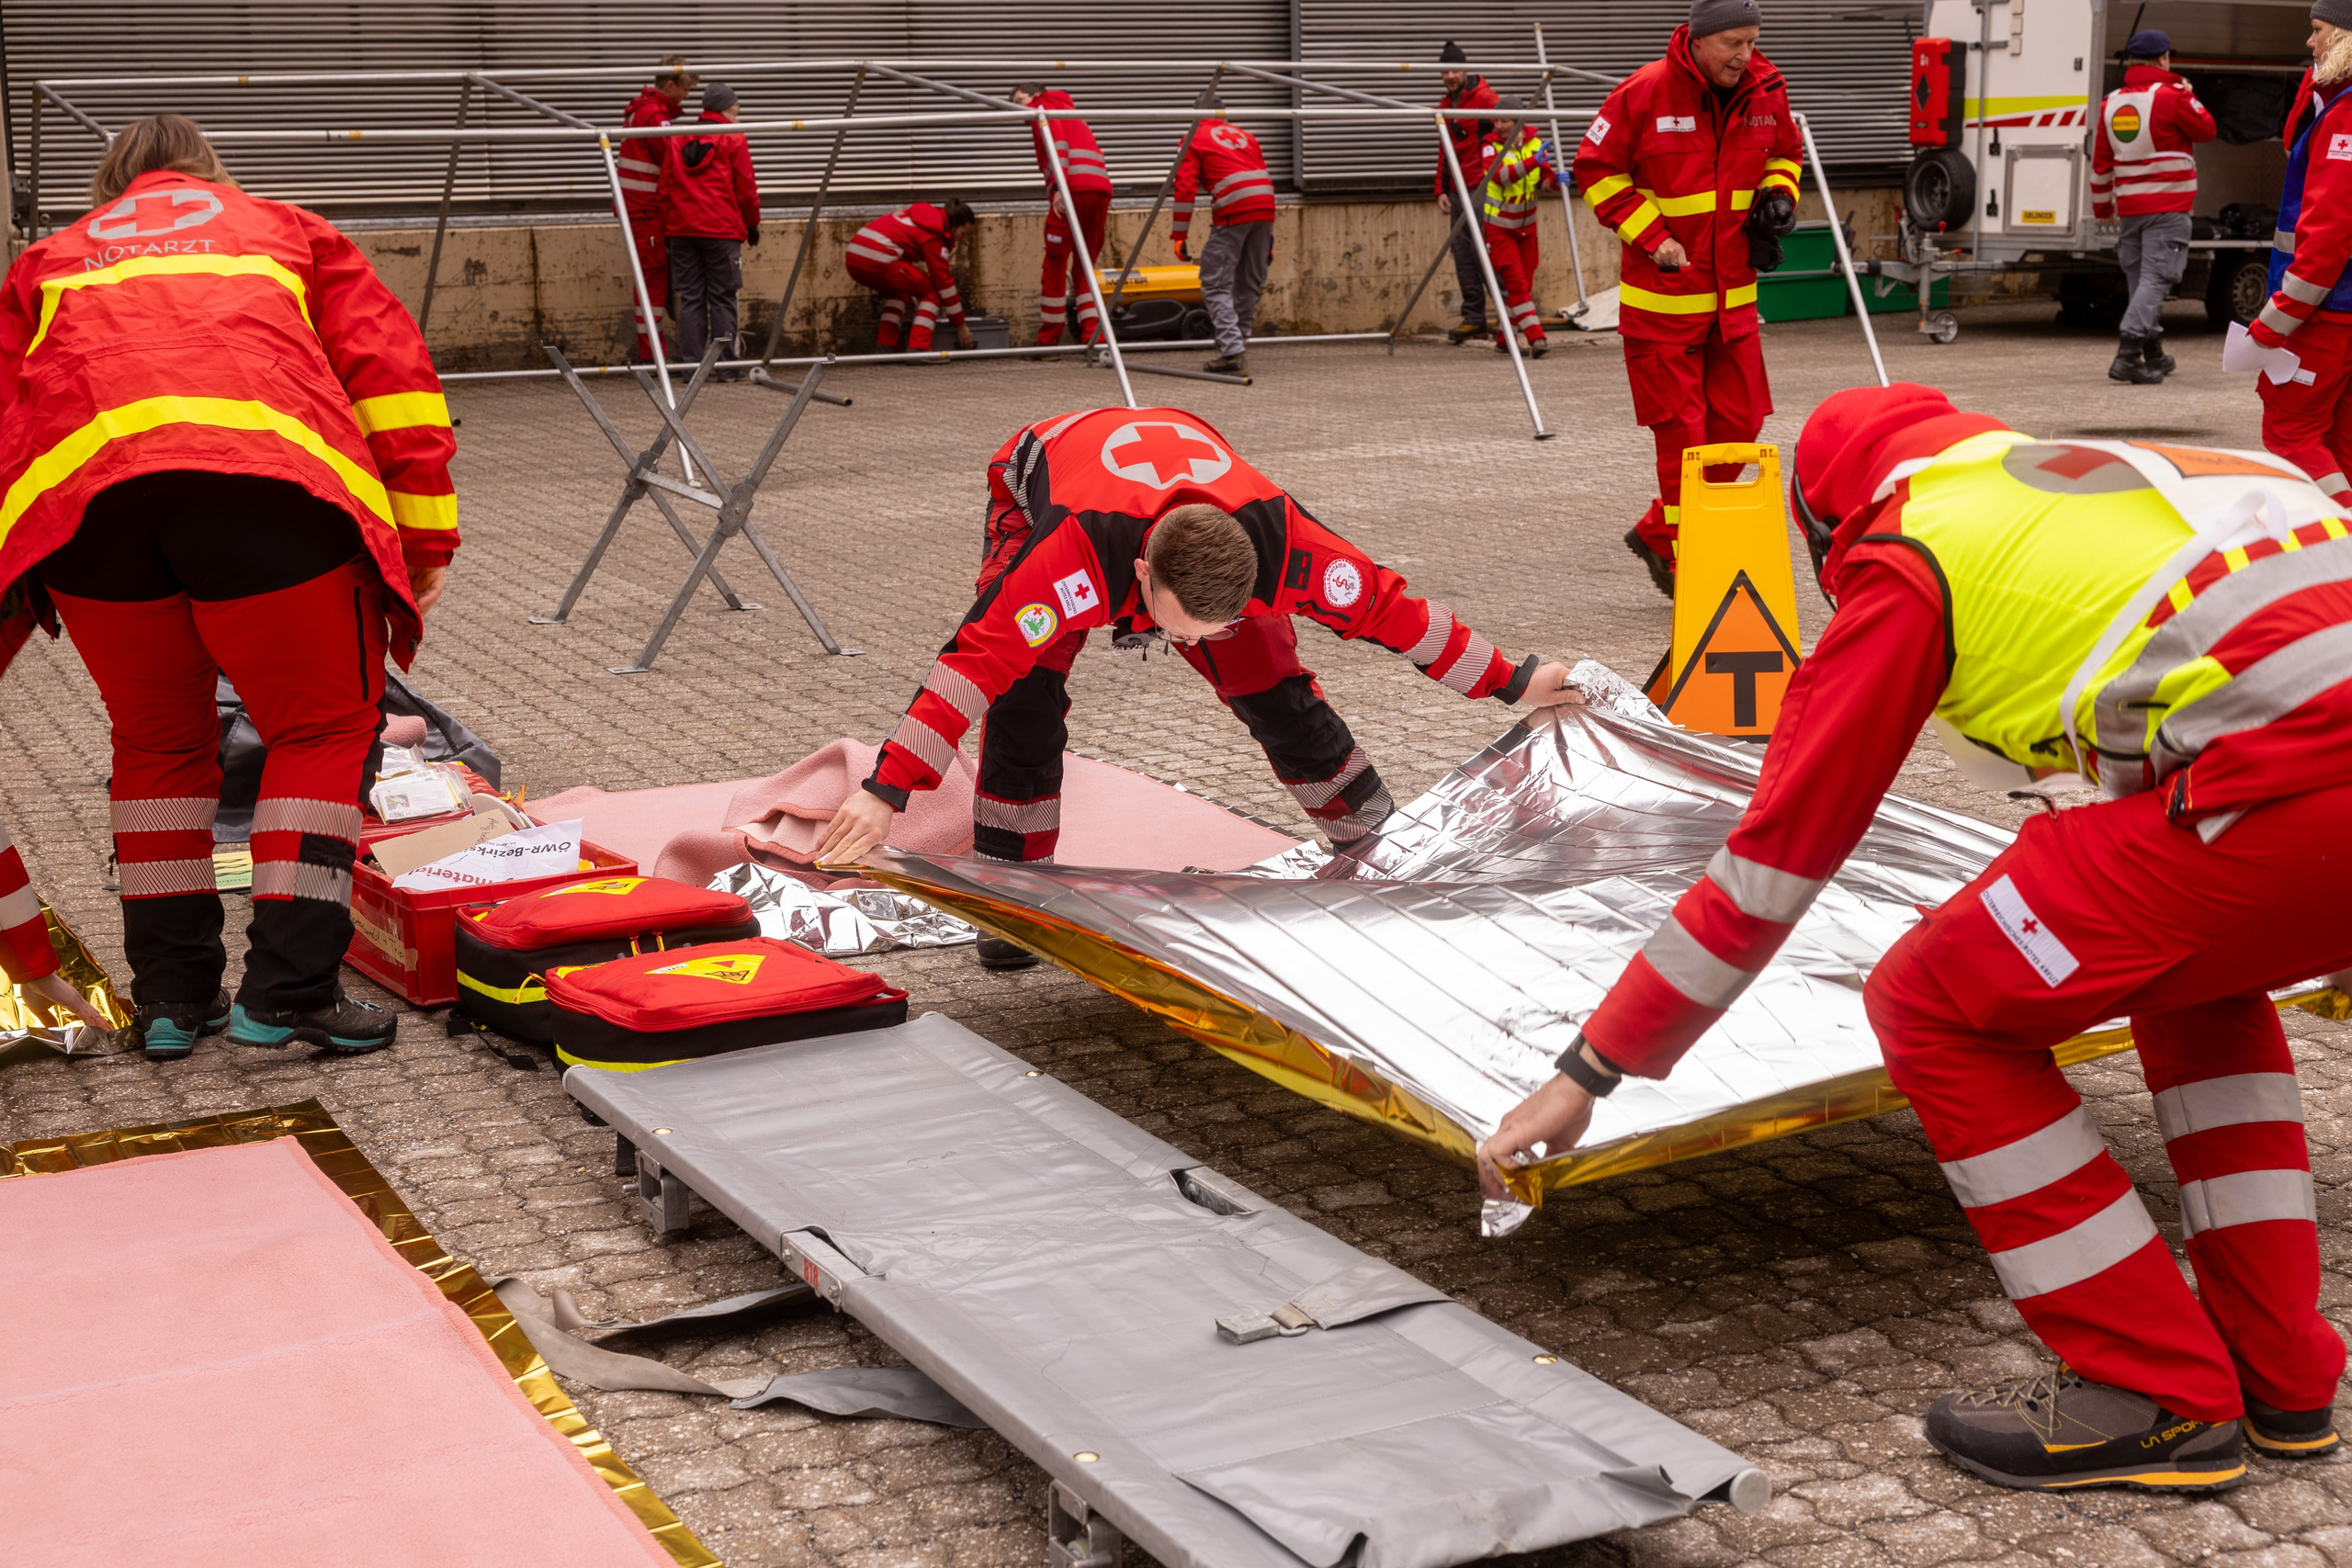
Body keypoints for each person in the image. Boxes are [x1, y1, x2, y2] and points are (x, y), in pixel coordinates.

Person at [1481, 381, 2352, 1490]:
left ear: (1824, 521)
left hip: (2277, 795)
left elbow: (1774, 860)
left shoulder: (1906, 551)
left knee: (1931, 1004)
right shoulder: (2100, 481)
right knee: (2191, 977)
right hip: (2285, 790)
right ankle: (2283, 1375)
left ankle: (2158, 1393)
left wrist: (1590, 1070)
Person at [0, 115, 458, 1058]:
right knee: (321, 730)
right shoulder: (289, 231)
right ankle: (287, 994)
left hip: (87, 516)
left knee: (158, 745)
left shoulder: (47, 263)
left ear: (110, 189)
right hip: (262, 491)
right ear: (210, 176)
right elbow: (393, 380)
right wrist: (423, 531)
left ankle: (172, 1002)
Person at [813, 406, 1583, 966]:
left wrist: (1514, 680)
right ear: (1140, 577)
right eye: (1174, 629)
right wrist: (887, 790)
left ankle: (1374, 849)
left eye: (1201, 634)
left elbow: (1393, 610)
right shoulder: (1067, 558)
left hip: (1194, 488)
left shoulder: (1286, 545)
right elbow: (971, 667)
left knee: (1275, 688)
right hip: (1042, 472)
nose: (1181, 650)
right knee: (1025, 699)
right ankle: (1013, 900)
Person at [1576, 0, 1802, 598]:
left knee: (1740, 429)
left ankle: (1657, 531)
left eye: (1752, 42)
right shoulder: (1644, 92)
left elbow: (1785, 153)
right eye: (1733, 43)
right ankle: (1687, 561)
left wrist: (1779, 196)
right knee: (1685, 442)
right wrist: (1654, 237)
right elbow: (1596, 169)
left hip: (1734, 304)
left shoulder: (1765, 88)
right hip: (1663, 305)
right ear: (1698, 40)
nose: (1744, 56)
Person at [2245, 4, 2352, 504]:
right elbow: (2292, 139)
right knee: (2338, 446)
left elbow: (2328, 237)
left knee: (2291, 439)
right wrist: (2317, 83)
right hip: (2341, 315)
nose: (2309, 44)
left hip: (2326, 315)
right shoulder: (2336, 106)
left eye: (2317, 31)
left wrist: (2275, 321)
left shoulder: (2345, 119)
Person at [2090, 29, 2216, 385]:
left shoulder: (2110, 103)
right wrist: (2189, 94)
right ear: (2163, 60)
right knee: (2156, 279)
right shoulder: (2173, 97)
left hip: (2130, 209)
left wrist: (2102, 210)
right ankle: (2128, 355)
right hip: (2168, 207)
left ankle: (2153, 351)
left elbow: (2101, 165)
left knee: (2140, 281)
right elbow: (2207, 129)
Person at [658, 81, 760, 375]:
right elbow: (745, 187)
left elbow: (664, 187)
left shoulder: (678, 137)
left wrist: (666, 227)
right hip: (721, 230)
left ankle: (692, 370)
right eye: (736, 105)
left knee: (689, 298)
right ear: (728, 107)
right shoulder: (733, 136)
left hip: (681, 230)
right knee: (723, 297)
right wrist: (752, 223)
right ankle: (727, 367)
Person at [1171, 96, 1278, 376]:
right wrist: (1269, 239)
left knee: (1215, 283)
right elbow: (1259, 177)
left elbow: (1184, 188)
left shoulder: (1193, 137)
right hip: (1265, 207)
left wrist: (1179, 234)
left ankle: (1232, 352)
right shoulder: (1246, 136)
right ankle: (1237, 343)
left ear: (1195, 115)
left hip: (1233, 209)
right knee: (1249, 281)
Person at [1011, 84, 1113, 348]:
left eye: (1019, 99)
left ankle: (1048, 342)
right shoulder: (1071, 112)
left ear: (1034, 95)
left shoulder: (1043, 109)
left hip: (1072, 192)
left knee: (1055, 263)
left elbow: (1057, 145)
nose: (1018, 107)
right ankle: (1096, 337)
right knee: (1084, 268)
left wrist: (1058, 187)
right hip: (1099, 192)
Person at [617, 56, 695, 362]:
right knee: (652, 286)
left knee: (651, 285)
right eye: (686, 89)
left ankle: (655, 358)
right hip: (647, 213)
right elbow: (672, 159)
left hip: (642, 211)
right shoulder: (654, 115)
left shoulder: (643, 111)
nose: (688, 96)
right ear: (671, 84)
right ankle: (655, 360)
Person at [1468, 96, 1559, 358]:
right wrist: (1533, 162)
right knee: (1517, 286)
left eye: (1504, 120)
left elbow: (1541, 183)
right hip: (1499, 230)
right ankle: (1536, 337)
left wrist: (1556, 182)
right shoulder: (1489, 146)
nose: (1498, 126)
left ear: (1519, 121)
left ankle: (1503, 339)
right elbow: (1501, 176)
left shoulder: (1535, 144)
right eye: (1496, 120)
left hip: (1526, 231)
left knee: (1524, 286)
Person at [846, 198, 977, 355]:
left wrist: (910, 290)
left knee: (898, 293)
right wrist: (961, 325)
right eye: (964, 233)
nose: (963, 239)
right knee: (933, 292)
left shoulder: (921, 218)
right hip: (878, 257)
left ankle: (885, 348)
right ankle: (919, 348)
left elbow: (899, 242)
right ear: (954, 225)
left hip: (854, 257)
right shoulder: (934, 234)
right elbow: (944, 283)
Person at [1436, 42, 1502, 345]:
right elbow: (1444, 151)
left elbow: (1508, 133)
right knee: (1462, 253)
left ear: (1465, 71)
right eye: (1445, 71)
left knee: (1486, 252)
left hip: (1481, 186)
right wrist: (1441, 189)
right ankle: (1474, 318)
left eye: (1455, 70)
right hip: (1458, 189)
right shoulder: (1445, 106)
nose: (1450, 75)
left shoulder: (1486, 100)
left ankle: (1507, 318)